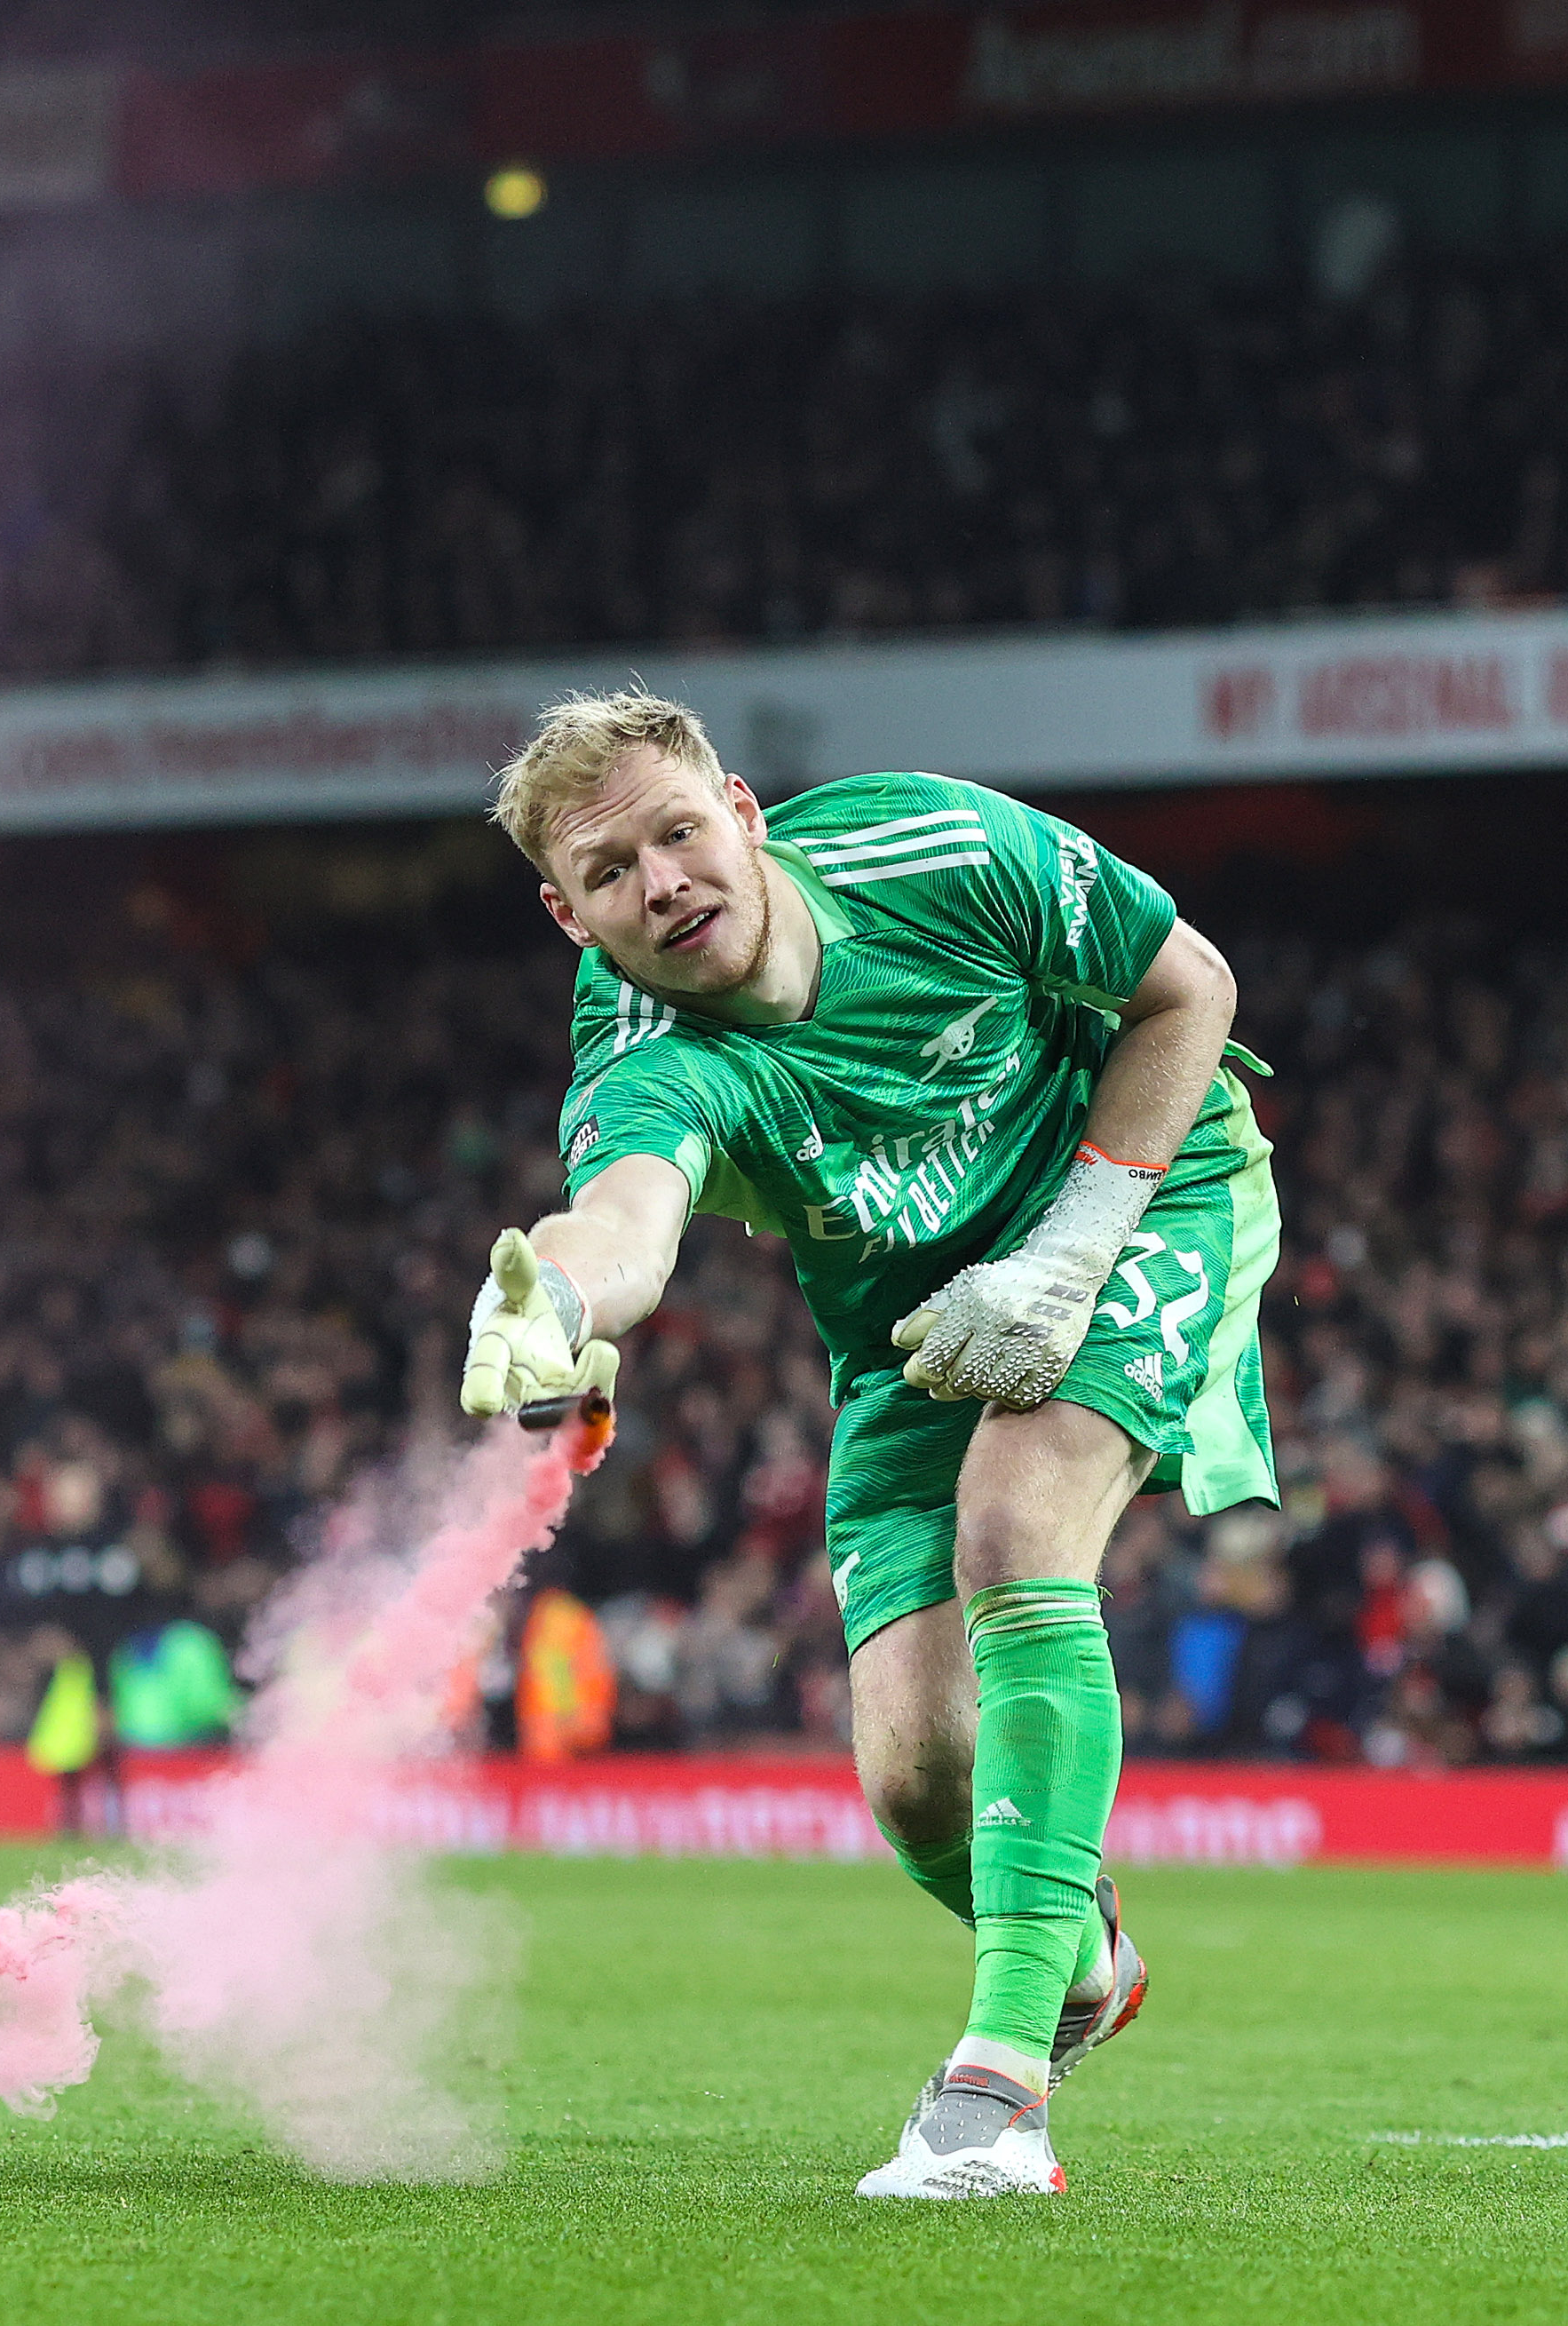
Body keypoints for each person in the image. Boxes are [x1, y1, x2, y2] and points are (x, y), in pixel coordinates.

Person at [459, 692, 1278, 2198]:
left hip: (1142, 1188)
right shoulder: (645, 1049)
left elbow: (1190, 987)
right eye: (611, 868)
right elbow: (627, 1215)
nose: (661, 879)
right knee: (911, 1773)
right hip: (905, 1324)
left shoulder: (937, 841)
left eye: (678, 830)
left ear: (743, 813)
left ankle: (994, 2092)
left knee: (1014, 1528)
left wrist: (1074, 1248)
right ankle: (1079, 1950)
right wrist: (552, 1298)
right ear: (566, 915)